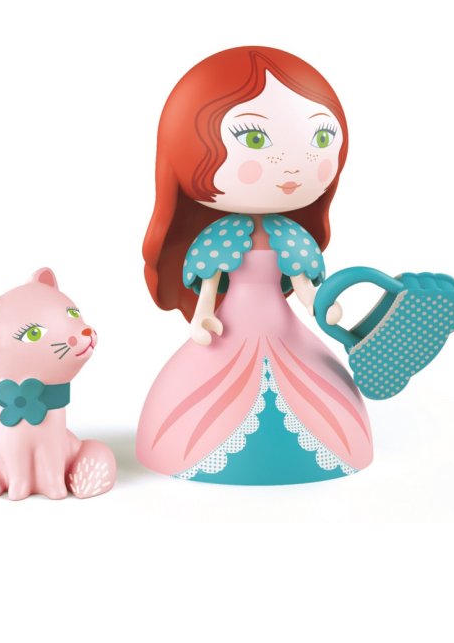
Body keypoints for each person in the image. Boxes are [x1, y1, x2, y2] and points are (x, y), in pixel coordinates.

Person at [138, 46, 373, 484]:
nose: (293, 166)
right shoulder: (221, 239)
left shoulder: (291, 237)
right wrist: (202, 316)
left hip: (282, 328)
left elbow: (305, 288)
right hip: (230, 328)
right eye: (254, 139)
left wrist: (322, 305)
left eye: (321, 139)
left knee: (311, 388)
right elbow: (210, 284)